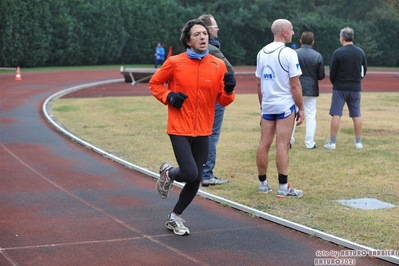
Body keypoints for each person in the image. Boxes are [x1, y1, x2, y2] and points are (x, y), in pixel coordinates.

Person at [148, 19, 236, 235]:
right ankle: (168, 173)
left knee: (196, 178)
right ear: (188, 40)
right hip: (179, 127)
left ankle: (174, 217)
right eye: (197, 34)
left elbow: (223, 100)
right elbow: (154, 84)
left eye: (205, 33)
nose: (203, 37)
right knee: (189, 172)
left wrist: (229, 90)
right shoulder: (174, 62)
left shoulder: (218, 65)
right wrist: (169, 96)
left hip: (204, 130)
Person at [255, 19, 305, 198]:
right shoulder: (289, 53)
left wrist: (262, 106)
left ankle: (262, 184)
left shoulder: (262, 52)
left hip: (268, 105)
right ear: (284, 32)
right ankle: (283, 187)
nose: (293, 33)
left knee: (264, 143)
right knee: (282, 144)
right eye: (291, 30)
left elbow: (259, 84)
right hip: (284, 105)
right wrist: (301, 108)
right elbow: (295, 85)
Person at [198, 14, 234, 187]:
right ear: (207, 29)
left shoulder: (194, 47)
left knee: (203, 133)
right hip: (214, 95)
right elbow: (229, 69)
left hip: (201, 95)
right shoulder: (211, 49)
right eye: (215, 26)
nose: (217, 29)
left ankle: (199, 171)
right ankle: (206, 173)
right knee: (212, 134)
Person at [324, 27, 367, 150]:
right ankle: (358, 142)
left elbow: (332, 72)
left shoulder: (338, 52)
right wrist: (357, 81)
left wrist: (336, 83)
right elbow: (364, 70)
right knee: (356, 114)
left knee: (336, 114)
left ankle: (332, 143)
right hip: (355, 87)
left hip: (340, 87)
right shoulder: (360, 52)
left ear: (342, 37)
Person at [291, 31, 325, 149]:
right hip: (311, 89)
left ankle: (289, 140)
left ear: (300, 41)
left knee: (292, 114)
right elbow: (321, 75)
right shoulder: (317, 55)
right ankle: (309, 143)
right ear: (312, 42)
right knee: (311, 116)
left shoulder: (293, 54)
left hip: (295, 88)